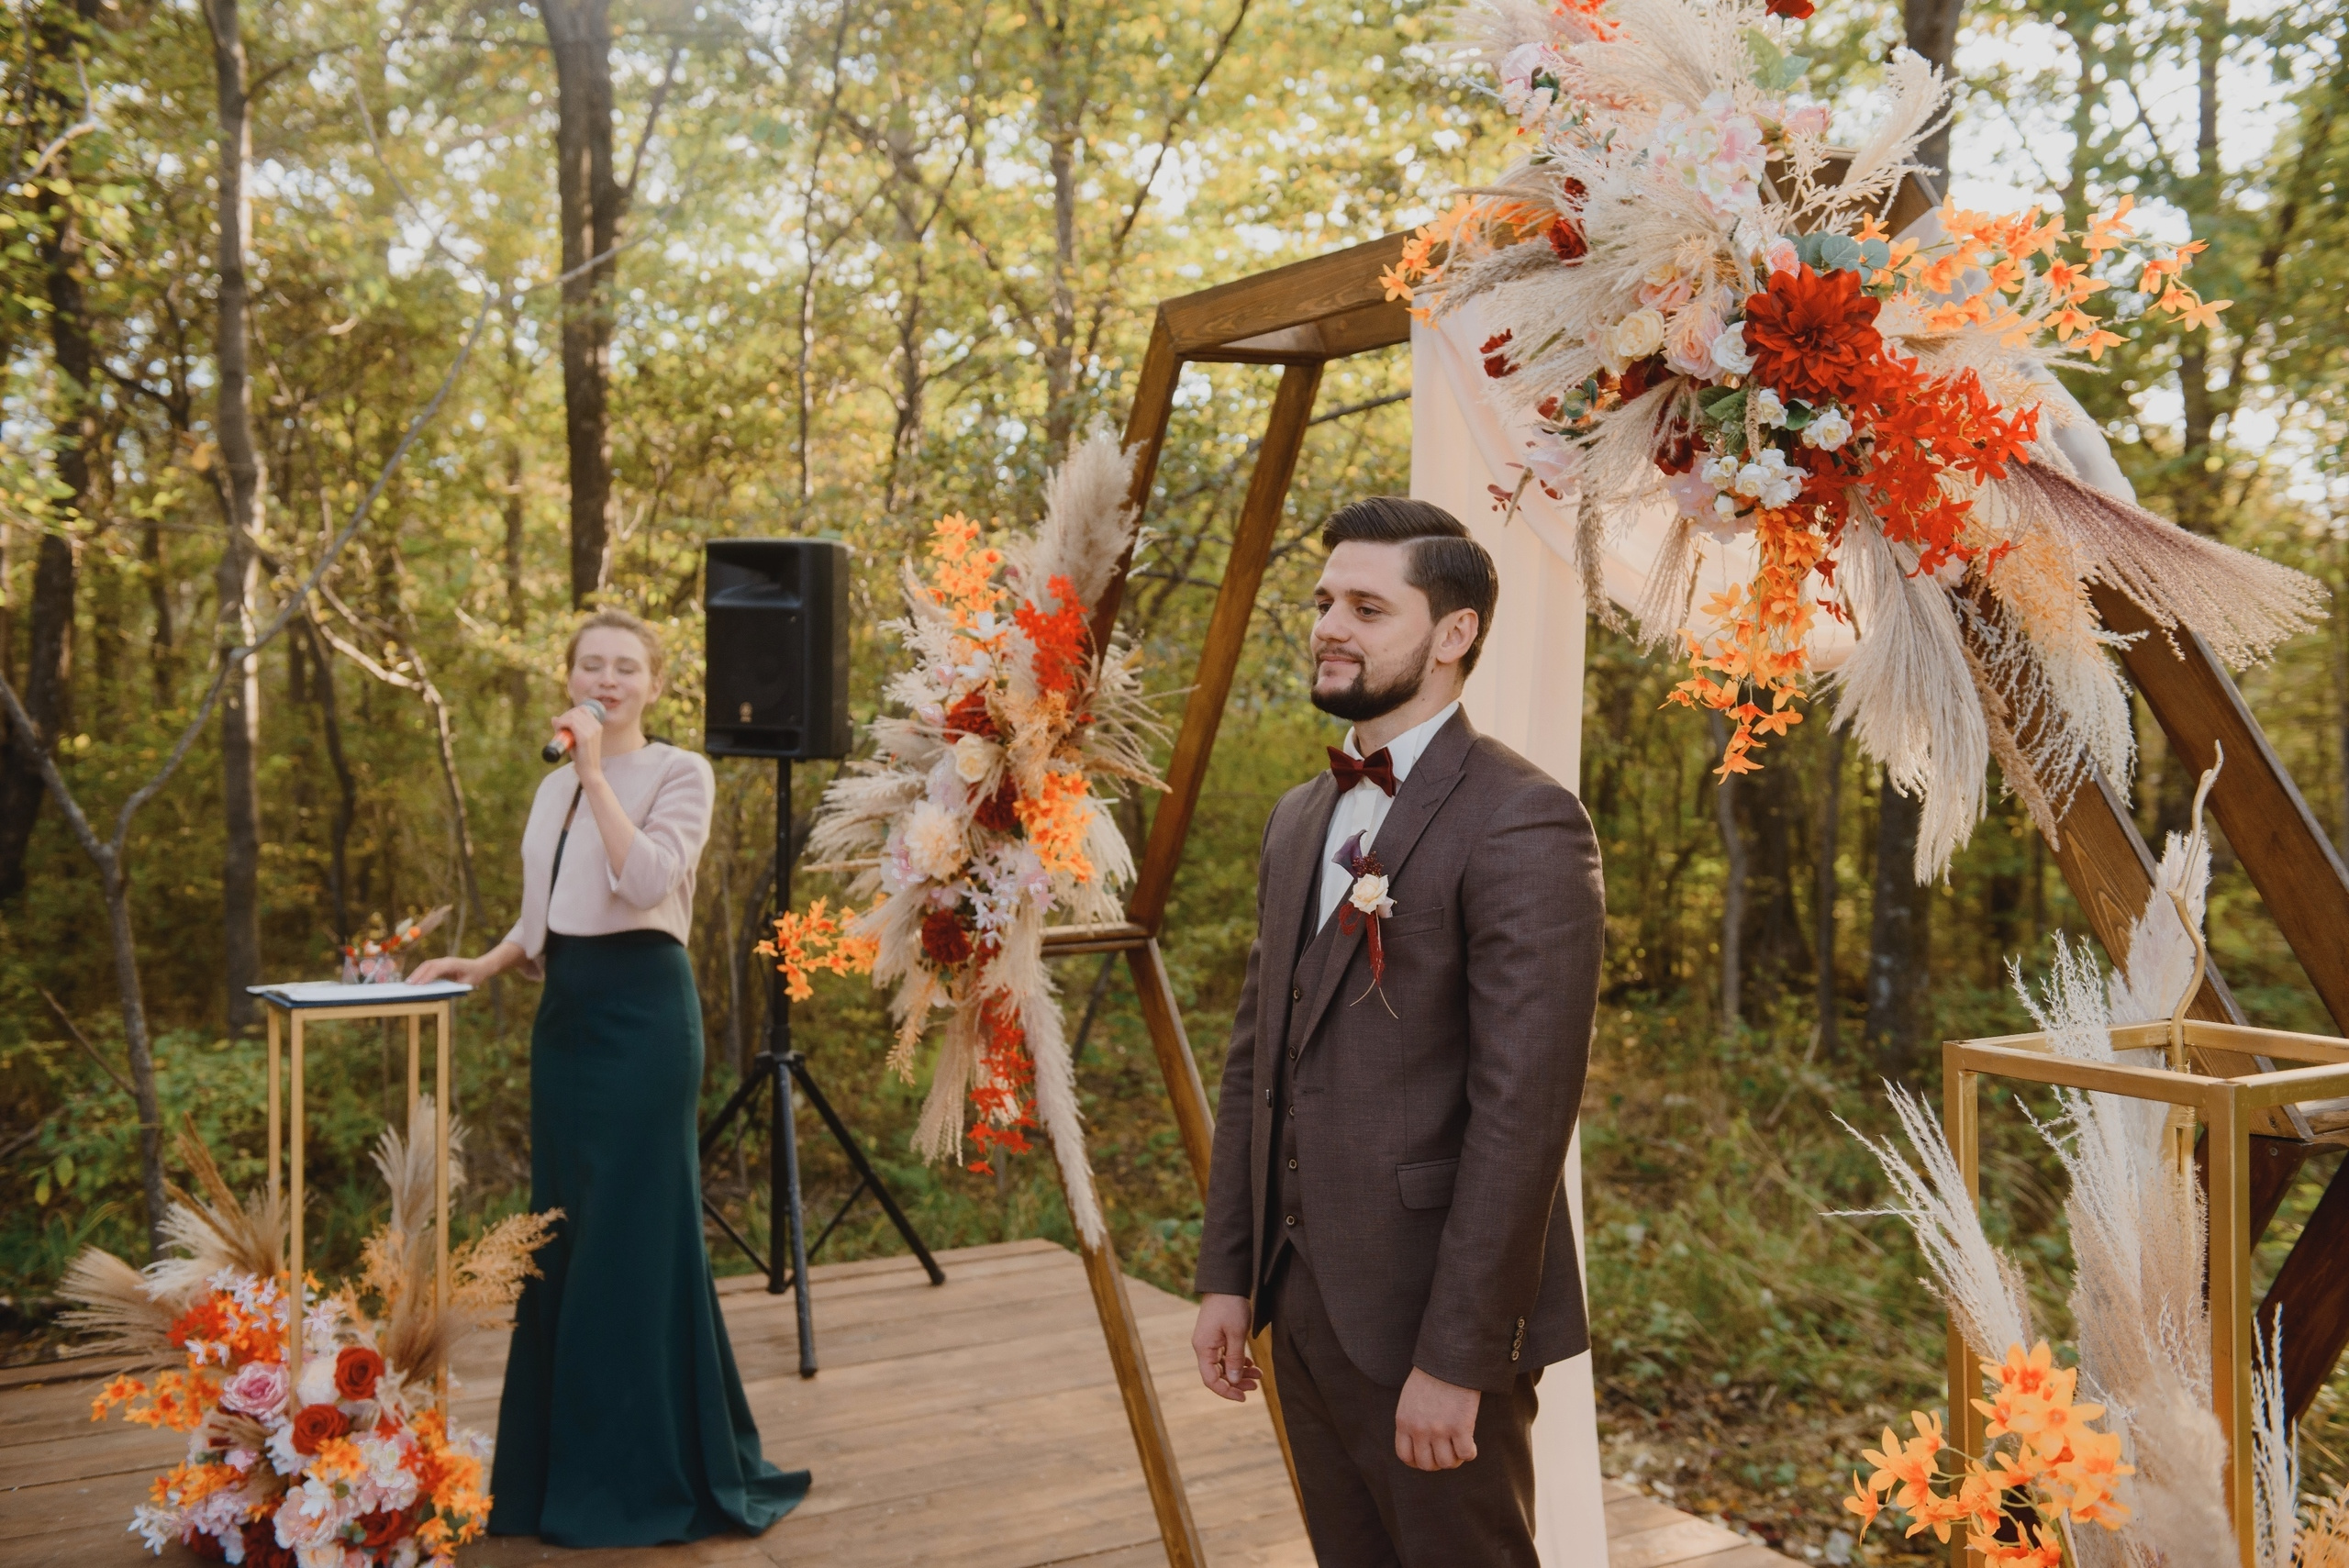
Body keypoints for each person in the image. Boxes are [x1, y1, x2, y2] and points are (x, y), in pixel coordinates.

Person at [1187, 498, 1605, 1566]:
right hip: (1300, 1301)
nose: (1331, 623)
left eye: (1368, 607)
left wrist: (1457, 1357)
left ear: (1451, 634)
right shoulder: (1297, 817)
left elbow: (1523, 1115)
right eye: (1327, 600)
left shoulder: (1523, 817)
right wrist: (1227, 1274)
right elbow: (1255, 1061)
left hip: (1430, 1315)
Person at [413, 608, 810, 1547]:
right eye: (591, 664)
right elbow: (538, 918)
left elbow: (644, 881)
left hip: (644, 1013)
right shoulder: (549, 790)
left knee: (636, 1232)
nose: (607, 678)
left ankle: (648, 1472)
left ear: (654, 683)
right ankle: (558, 1468)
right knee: (565, 1229)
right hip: (568, 1018)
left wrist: (595, 773)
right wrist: (476, 963)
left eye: (625, 666)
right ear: (569, 675)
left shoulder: (680, 771)